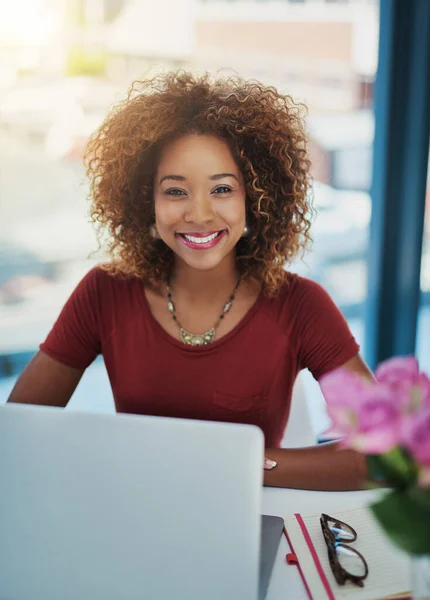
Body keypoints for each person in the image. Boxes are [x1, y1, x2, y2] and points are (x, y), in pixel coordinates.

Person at [8, 71, 372, 490]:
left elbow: (387, 457)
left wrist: (240, 466)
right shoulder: (104, 292)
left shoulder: (300, 305)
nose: (199, 214)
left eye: (222, 189)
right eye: (176, 191)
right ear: (147, 200)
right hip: (134, 510)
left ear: (256, 199)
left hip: (248, 516)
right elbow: (20, 431)